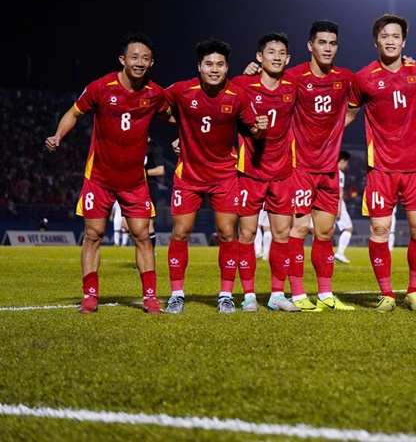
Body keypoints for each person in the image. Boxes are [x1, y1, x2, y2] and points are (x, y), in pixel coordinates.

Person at [45, 32, 170, 314]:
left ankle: (150, 297)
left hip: (135, 181)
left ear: (152, 63)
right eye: (134, 57)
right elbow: (74, 113)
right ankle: (90, 296)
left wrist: (186, 135)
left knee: (142, 235)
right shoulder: (101, 87)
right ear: (122, 59)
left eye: (145, 58)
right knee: (93, 233)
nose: (139, 62)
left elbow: (171, 115)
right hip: (99, 177)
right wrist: (58, 136)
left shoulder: (154, 94)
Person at [163, 39, 266, 314]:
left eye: (220, 64)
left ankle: (225, 295)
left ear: (227, 68)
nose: (214, 69)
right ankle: (176, 294)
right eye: (209, 64)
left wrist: (261, 128)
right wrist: (181, 128)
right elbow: (158, 105)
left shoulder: (237, 95)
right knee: (180, 232)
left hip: (224, 176)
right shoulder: (182, 90)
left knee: (226, 233)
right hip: (189, 175)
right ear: (199, 66)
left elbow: (255, 131)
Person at [346, 14, 416, 312]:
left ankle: (414, 291)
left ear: (404, 41)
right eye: (385, 36)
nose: (391, 41)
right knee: (379, 230)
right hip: (380, 168)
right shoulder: (363, 77)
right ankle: (387, 294)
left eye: (396, 36)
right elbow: (348, 115)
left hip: (415, 167)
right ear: (376, 41)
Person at [280, 20, 356, 311]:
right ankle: (298, 294)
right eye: (322, 43)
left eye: (332, 43)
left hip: (328, 170)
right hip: (300, 168)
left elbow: (367, 95)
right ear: (310, 45)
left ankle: (325, 294)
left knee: (325, 233)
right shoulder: (294, 76)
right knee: (299, 230)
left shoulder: (345, 78)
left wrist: (337, 127)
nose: (327, 48)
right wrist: (252, 71)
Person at [232, 33, 304, 312]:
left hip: (283, 172)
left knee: (282, 235)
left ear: (288, 59)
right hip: (249, 171)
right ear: (259, 57)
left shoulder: (293, 85)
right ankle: (249, 295)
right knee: (247, 234)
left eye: (281, 53)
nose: (276, 57)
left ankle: (276, 295)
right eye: (271, 52)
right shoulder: (241, 84)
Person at [144, 135, 166, 250]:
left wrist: (143, 173)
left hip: (149, 186)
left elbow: (160, 170)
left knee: (148, 223)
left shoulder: (154, 148)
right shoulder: (136, 147)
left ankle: (150, 253)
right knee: (125, 223)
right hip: (137, 187)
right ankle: (144, 249)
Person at [333, 150, 354, 264]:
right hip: (336, 203)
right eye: (346, 163)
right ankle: (340, 253)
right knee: (348, 228)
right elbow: (339, 191)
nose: (346, 165)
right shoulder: (340, 174)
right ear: (342, 161)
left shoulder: (328, 170)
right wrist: (339, 208)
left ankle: (325, 255)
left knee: (323, 231)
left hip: (324, 202)